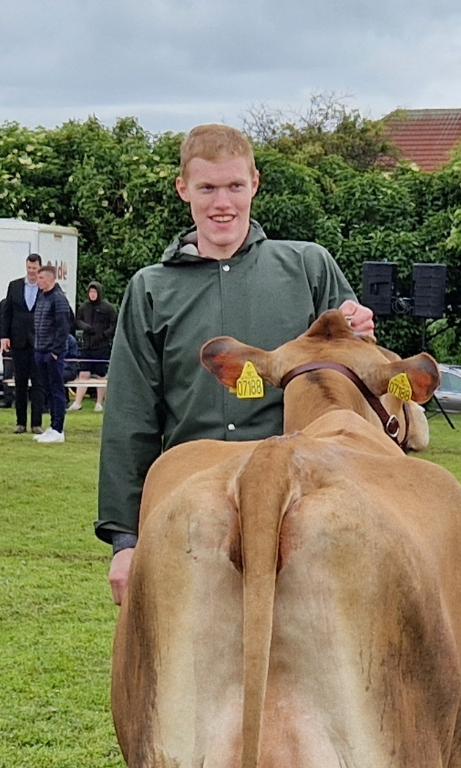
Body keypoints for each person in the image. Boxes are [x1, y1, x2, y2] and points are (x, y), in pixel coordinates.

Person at [96, 123, 374, 603]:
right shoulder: (150, 288)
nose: (222, 202)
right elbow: (130, 415)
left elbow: (352, 389)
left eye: (234, 186)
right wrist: (125, 540)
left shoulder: (309, 267)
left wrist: (363, 337)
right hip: (190, 506)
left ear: (255, 184)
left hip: (301, 508)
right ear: (184, 189)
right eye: (207, 188)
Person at [0, 252, 43, 433]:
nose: (32, 271)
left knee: (38, 384)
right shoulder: (14, 286)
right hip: (19, 341)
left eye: (35, 268)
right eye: (29, 268)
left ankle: (36, 423)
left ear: (40, 267)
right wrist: (4, 336)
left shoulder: (45, 286)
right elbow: (6, 313)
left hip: (39, 342)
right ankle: (21, 422)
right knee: (20, 383)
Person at [29, 263, 74, 442]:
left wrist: (56, 351)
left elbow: (64, 326)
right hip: (40, 350)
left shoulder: (58, 298)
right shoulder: (42, 296)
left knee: (56, 390)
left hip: (52, 353)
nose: (37, 281)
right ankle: (52, 426)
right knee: (47, 389)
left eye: (41, 278)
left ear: (50, 279)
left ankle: (58, 428)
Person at [69, 280, 116, 410]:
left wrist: (104, 335)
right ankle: (77, 403)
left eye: (95, 292)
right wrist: (86, 327)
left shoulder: (108, 308)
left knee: (101, 375)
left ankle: (99, 403)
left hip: (101, 346)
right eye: (90, 291)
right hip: (87, 346)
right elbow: (77, 320)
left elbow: (114, 325)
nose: (92, 294)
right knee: (83, 374)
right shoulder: (84, 307)